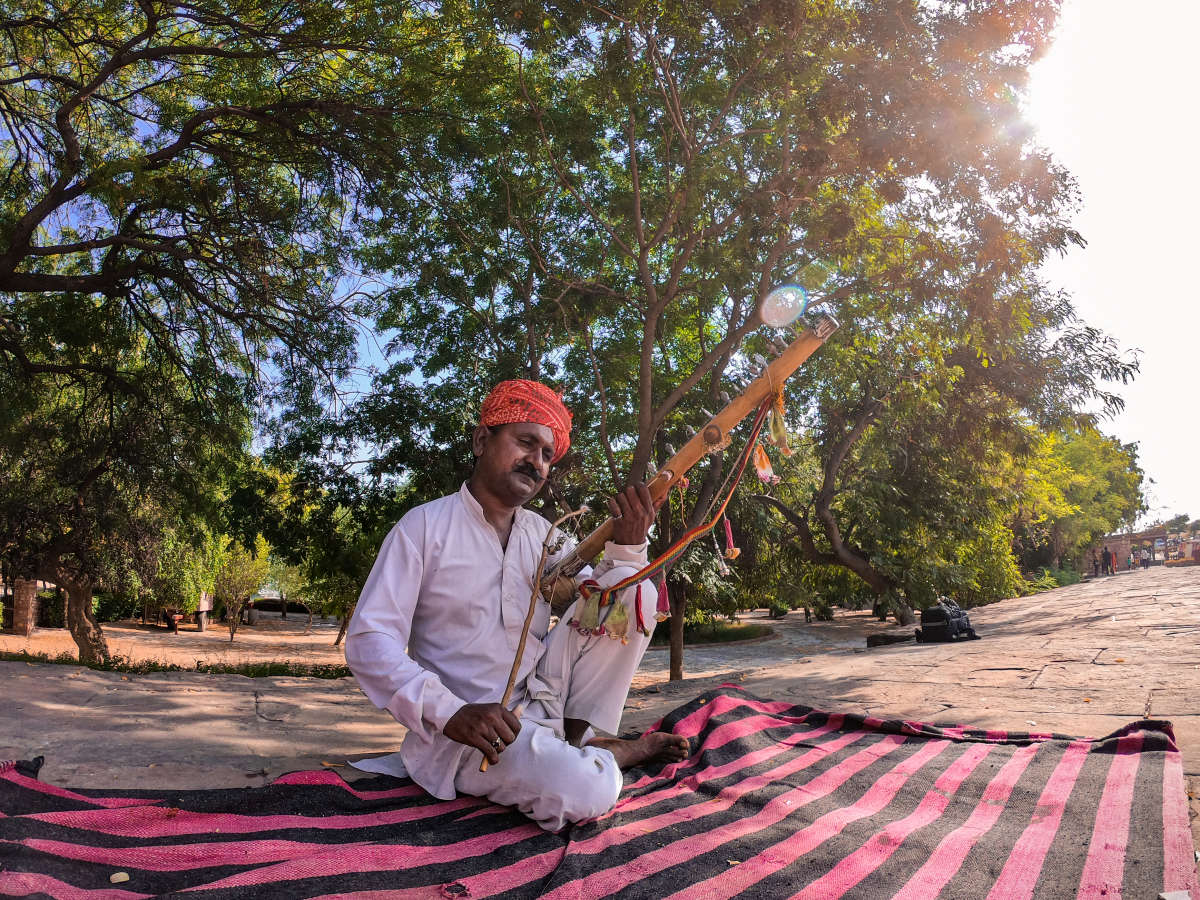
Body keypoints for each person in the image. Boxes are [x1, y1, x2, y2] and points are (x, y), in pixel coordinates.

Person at [345, 380, 689, 831]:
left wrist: (629, 548)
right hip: (469, 736)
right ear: (481, 439)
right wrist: (451, 713)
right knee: (587, 791)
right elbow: (370, 641)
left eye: (548, 454)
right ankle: (605, 756)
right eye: (525, 443)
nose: (537, 462)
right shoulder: (424, 526)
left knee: (632, 591)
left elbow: (605, 605)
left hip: (544, 704)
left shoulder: (547, 537)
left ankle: (580, 737)